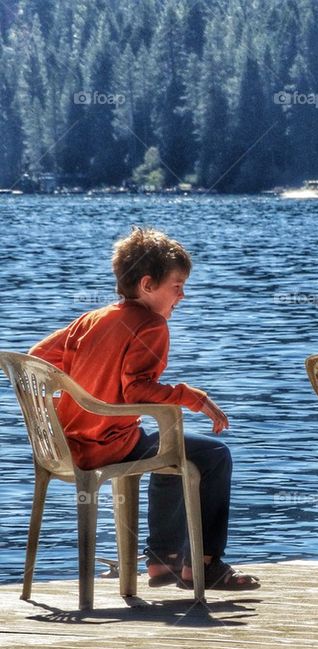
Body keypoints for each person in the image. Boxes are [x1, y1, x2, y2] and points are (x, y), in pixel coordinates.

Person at [29, 227, 259, 591]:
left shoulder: (92, 319)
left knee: (169, 442)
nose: (182, 295)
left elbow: (37, 359)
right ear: (148, 285)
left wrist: (74, 401)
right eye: (177, 285)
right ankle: (204, 563)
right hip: (110, 446)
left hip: (65, 445)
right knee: (214, 454)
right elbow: (136, 389)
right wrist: (193, 397)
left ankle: (163, 561)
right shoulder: (152, 324)